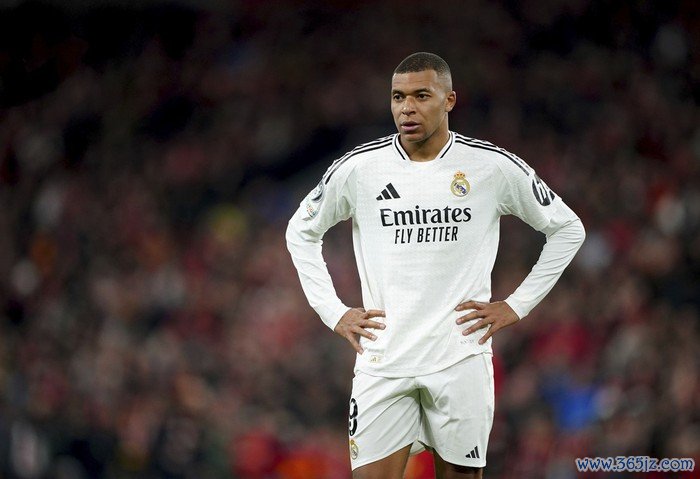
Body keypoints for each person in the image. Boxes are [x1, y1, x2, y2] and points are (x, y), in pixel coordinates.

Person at [285, 52, 585, 479]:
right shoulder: (360, 168)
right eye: (398, 97)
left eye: (421, 95)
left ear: (449, 100)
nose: (407, 107)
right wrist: (333, 312)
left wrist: (518, 304)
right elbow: (300, 231)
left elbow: (568, 229)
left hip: (459, 359)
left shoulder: (491, 166)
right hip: (384, 360)